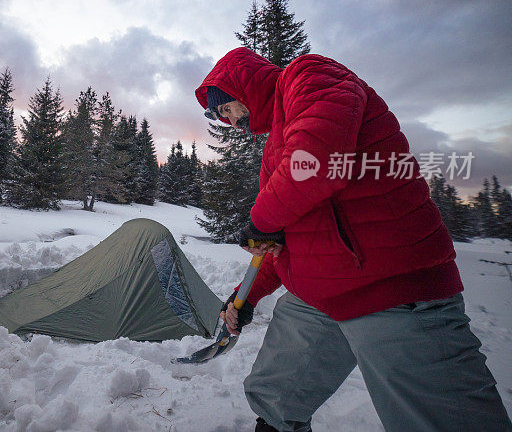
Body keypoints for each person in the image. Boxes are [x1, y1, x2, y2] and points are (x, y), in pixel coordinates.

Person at [195, 47, 512, 432]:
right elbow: (285, 240)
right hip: (319, 297)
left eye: (224, 107)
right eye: (218, 117)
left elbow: (316, 159)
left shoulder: (308, 75)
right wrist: (246, 298)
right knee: (275, 398)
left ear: (241, 86)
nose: (226, 120)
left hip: (391, 288)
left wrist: (261, 219)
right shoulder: (275, 146)